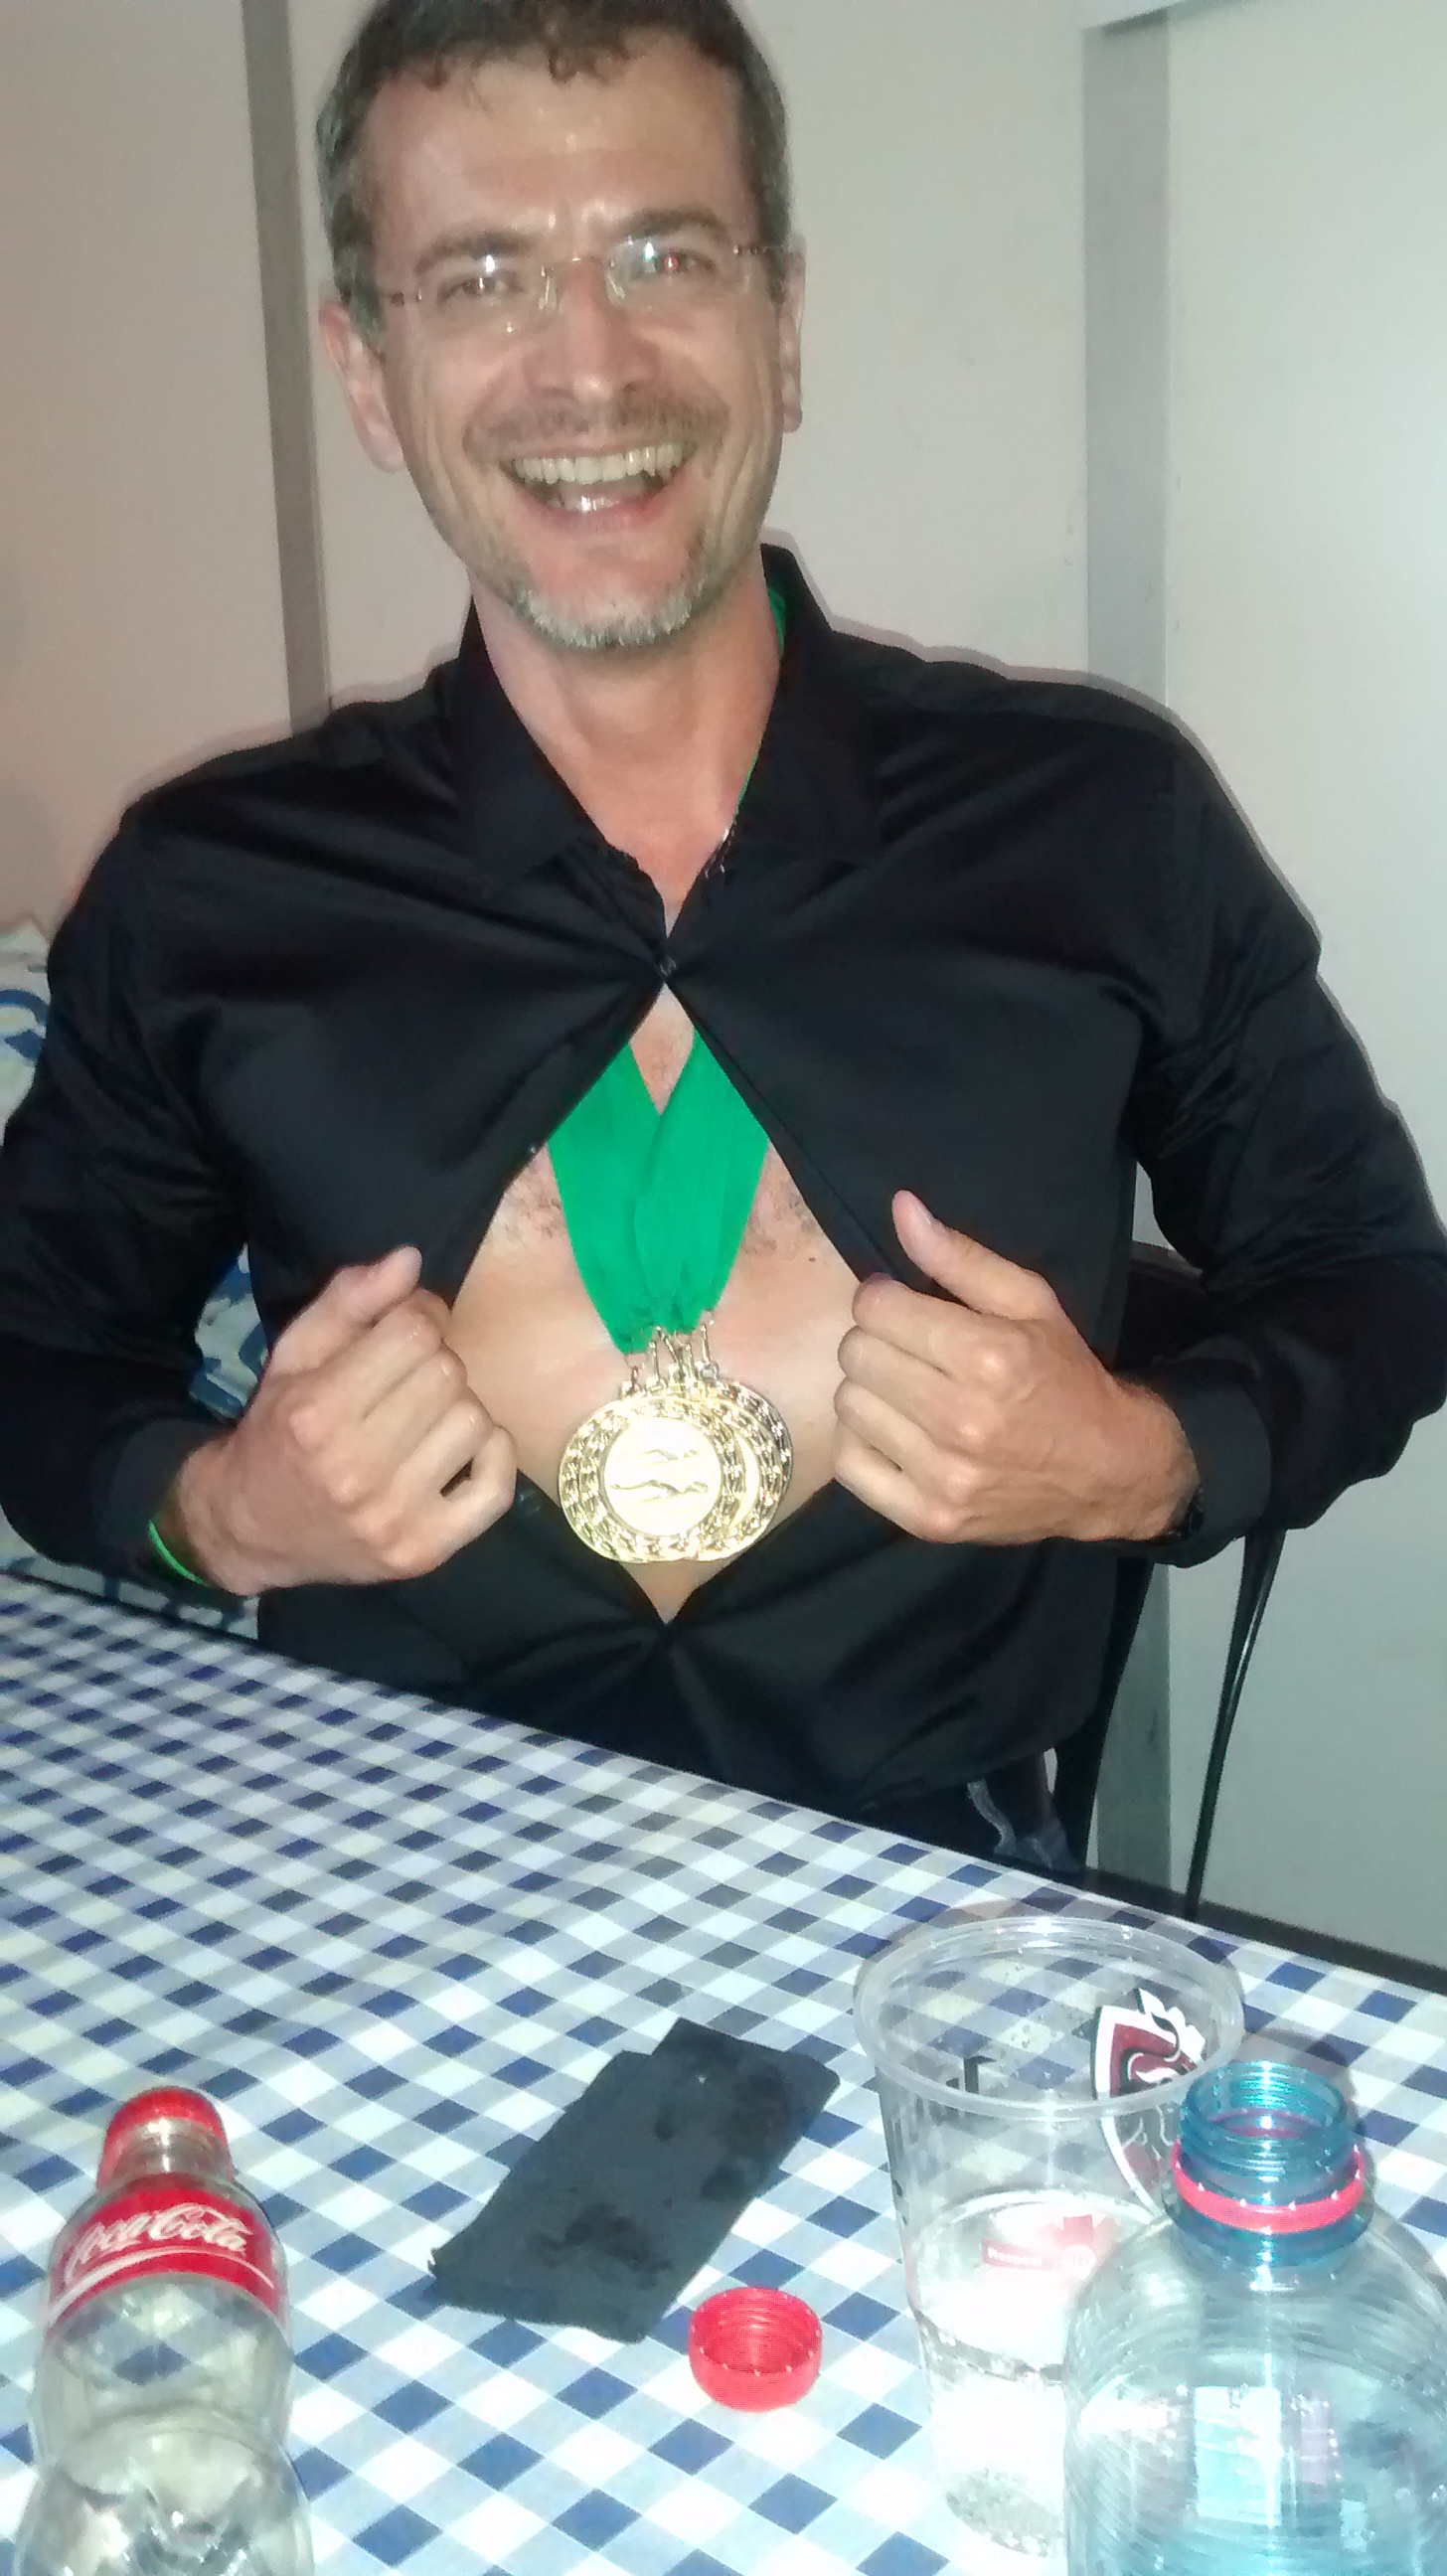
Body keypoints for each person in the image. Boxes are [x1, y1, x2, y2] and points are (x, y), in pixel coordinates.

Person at [1, 0, 1444, 1870]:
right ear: (366, 370)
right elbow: (31, 1350)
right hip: (369, 1877)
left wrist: (1150, 1459)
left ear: (784, 323)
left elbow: (1375, 1276)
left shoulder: (1104, 823)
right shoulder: (209, 889)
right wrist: (214, 1512)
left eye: (664, 257)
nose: (588, 365)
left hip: (932, 1894)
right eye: (484, 278)